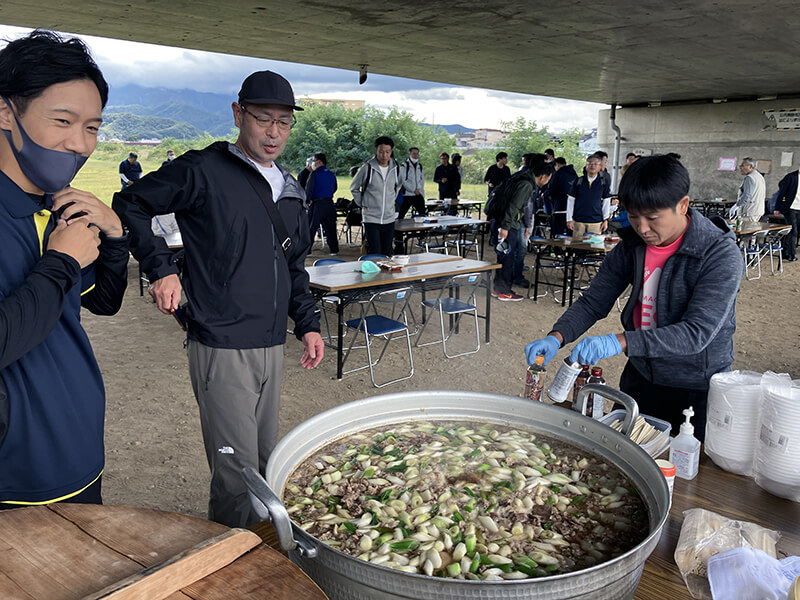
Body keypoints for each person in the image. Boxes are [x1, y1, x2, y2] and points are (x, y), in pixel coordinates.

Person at [113, 70, 324, 527]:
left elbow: (294, 266)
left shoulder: (291, 188)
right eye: (263, 118)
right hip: (222, 343)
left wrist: (307, 322)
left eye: (284, 122)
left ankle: (261, 552)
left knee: (268, 460)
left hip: (271, 343)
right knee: (236, 473)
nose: (273, 132)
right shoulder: (203, 170)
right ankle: (233, 561)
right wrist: (161, 269)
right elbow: (130, 203)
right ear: (238, 114)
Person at [524, 155, 744, 442]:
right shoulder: (633, 246)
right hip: (641, 376)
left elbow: (696, 333)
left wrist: (620, 341)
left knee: (690, 472)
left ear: (683, 205)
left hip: (695, 386)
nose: (642, 228)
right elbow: (594, 301)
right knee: (622, 456)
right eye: (633, 216)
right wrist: (556, 336)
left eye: (652, 218)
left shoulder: (718, 253)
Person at [0, 30, 128, 508]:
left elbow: (102, 301)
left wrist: (114, 236)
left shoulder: (56, 212)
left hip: (78, 450)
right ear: (5, 111)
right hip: (17, 474)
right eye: (63, 121)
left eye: (92, 127)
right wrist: (60, 261)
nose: (80, 144)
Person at [492, 158, 553, 301]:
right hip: (509, 224)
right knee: (508, 257)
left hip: (502, 221)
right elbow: (514, 206)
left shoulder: (519, 177)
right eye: (549, 178)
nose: (548, 181)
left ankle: (497, 288)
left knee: (502, 256)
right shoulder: (526, 184)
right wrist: (506, 227)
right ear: (543, 176)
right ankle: (504, 291)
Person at [349, 136, 401, 257]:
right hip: (371, 218)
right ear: (376, 151)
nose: (384, 155)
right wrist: (363, 203)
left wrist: (391, 200)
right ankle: (375, 275)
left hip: (389, 217)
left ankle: (387, 276)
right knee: (375, 251)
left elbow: (398, 186)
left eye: (387, 152)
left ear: (391, 152)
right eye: (381, 152)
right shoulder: (367, 167)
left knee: (387, 251)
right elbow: (354, 187)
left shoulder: (396, 168)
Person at [567, 154, 612, 239]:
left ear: (600, 167)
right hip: (578, 221)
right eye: (590, 163)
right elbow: (571, 200)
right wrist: (569, 219)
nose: (592, 166)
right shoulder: (579, 181)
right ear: (586, 166)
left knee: (593, 249)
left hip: (596, 222)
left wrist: (606, 220)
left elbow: (606, 201)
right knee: (577, 247)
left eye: (596, 164)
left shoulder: (603, 182)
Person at [306, 152, 339, 255]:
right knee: (330, 228)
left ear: (319, 162)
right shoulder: (331, 174)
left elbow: (309, 188)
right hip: (329, 203)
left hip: (317, 203)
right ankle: (334, 250)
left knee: (311, 227)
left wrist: (307, 200)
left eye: (314, 161)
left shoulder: (314, 173)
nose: (312, 163)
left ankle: (307, 250)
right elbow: (335, 187)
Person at [773, 167, 800, 262]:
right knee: (793, 232)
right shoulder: (791, 177)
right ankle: (792, 254)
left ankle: (785, 252)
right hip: (790, 208)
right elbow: (782, 193)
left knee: (792, 231)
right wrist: (778, 207)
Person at [547, 157, 577, 237]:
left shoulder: (558, 174)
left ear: (557, 164)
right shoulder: (574, 174)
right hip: (571, 211)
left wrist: (545, 194)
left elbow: (551, 189)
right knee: (570, 234)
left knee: (557, 236)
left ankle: (557, 249)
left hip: (559, 208)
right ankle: (569, 249)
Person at [730, 157, 765, 224]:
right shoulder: (759, 176)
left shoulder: (750, 178)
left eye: (742, 166)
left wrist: (736, 206)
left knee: (745, 230)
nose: (740, 168)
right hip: (757, 210)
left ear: (750, 166)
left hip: (749, 211)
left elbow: (747, 195)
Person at [398, 146, 425, 219]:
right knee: (401, 215)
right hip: (408, 195)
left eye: (417, 154)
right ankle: (398, 230)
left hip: (418, 194)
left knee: (423, 215)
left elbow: (421, 180)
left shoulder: (420, 166)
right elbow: (403, 181)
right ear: (409, 154)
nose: (415, 156)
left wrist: (420, 191)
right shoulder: (404, 166)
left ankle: (423, 230)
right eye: (414, 154)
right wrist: (413, 190)